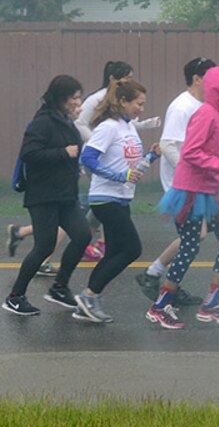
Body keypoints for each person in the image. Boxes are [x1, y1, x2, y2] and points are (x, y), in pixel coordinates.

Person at [152, 65, 219, 329]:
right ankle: (160, 306)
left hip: (210, 191)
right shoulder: (205, 114)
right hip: (191, 192)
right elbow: (191, 153)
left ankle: (211, 304)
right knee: (190, 247)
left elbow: (212, 154)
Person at [72, 77, 155, 322]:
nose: (141, 109)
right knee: (132, 249)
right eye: (138, 104)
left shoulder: (128, 127)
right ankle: (89, 296)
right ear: (122, 101)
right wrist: (119, 176)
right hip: (105, 198)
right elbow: (87, 158)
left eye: (143, 104)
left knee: (116, 251)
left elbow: (132, 170)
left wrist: (152, 156)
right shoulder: (109, 126)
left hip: (121, 198)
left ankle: (88, 301)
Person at [5, 76, 89, 317]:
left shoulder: (65, 121)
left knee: (83, 235)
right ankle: (15, 297)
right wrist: (63, 153)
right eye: (73, 97)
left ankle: (59, 288)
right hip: (43, 195)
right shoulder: (43, 122)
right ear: (61, 98)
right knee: (44, 246)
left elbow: (74, 151)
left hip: (65, 194)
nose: (77, 102)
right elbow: (30, 154)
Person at [135, 56, 216, 306]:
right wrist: (189, 176)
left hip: (197, 184)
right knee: (193, 240)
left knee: (199, 234)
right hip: (182, 186)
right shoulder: (182, 107)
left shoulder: (201, 105)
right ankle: (164, 290)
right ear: (197, 79)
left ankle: (153, 274)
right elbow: (168, 145)